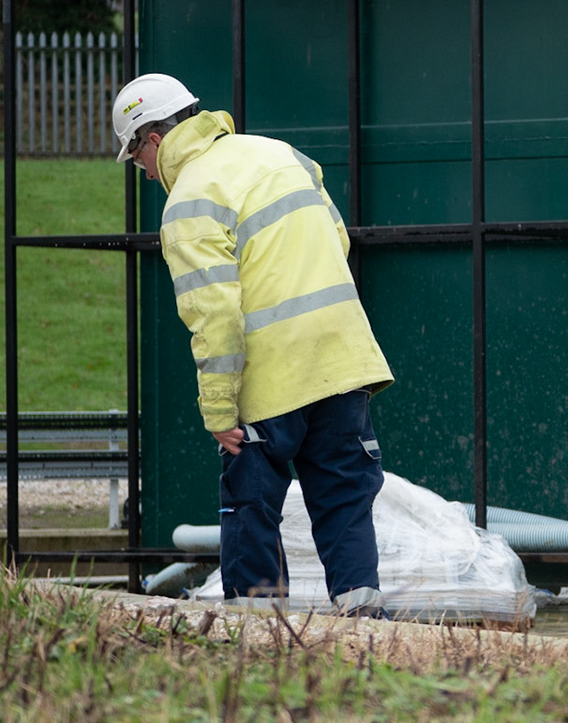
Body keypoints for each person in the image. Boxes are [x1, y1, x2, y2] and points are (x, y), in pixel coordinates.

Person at [110, 73, 392, 614]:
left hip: (270, 378)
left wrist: (218, 410)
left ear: (154, 139)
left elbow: (214, 317)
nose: (144, 174)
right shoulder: (280, 154)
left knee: (251, 506)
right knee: (345, 498)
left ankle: (257, 641)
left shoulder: (189, 201)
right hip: (343, 360)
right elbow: (338, 238)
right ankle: (368, 631)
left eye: (136, 157)